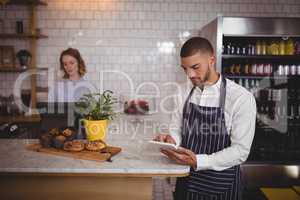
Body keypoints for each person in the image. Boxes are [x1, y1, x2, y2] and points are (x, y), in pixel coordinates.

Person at [155, 37, 256, 200]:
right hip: (186, 182)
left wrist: (198, 161)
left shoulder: (240, 98)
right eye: (185, 69)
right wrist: (171, 140)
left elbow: (240, 151)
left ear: (212, 60)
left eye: (195, 67)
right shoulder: (183, 91)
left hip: (222, 187)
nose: (190, 75)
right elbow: (176, 129)